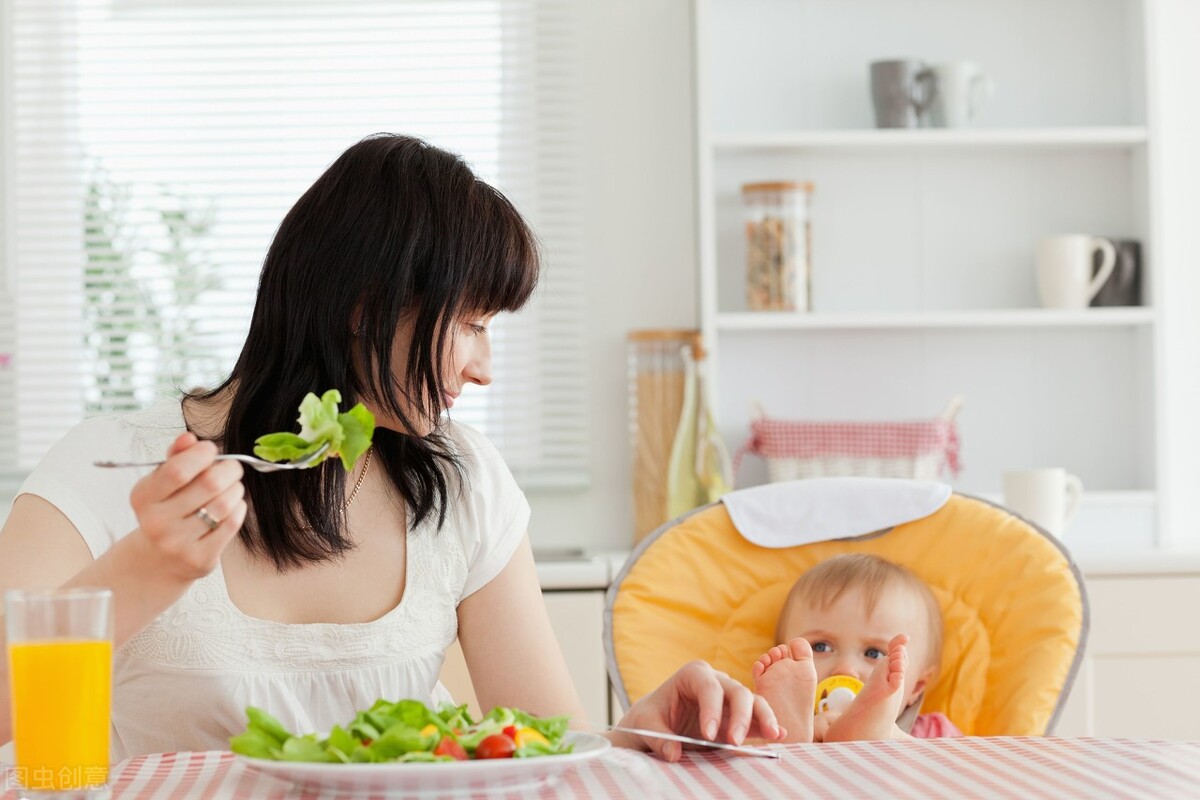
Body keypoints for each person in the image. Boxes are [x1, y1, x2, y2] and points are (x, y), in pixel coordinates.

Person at [0, 134, 783, 761]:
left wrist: (638, 736)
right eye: (471, 325)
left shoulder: (466, 480)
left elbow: (545, 745)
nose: (482, 369)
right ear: (364, 306)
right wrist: (148, 569)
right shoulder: (115, 466)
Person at [751, 553, 963, 743]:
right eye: (821, 647)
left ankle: (887, 736)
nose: (844, 669)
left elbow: (966, 780)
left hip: (903, 772)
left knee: (926, 756)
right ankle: (785, 736)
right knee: (753, 738)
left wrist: (898, 741)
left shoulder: (936, 733)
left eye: (874, 653)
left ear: (916, 687)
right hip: (798, 776)